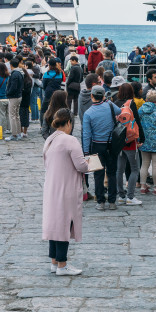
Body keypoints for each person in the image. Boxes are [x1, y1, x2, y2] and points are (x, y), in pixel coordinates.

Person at [42, 108, 88, 276]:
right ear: (69, 123)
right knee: (64, 224)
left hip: (52, 186)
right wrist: (92, 164)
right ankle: (62, 264)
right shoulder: (70, 140)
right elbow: (81, 165)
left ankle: (54, 261)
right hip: (66, 187)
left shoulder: (50, 139)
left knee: (55, 223)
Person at [81, 86, 118, 211]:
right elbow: (119, 111)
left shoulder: (88, 113)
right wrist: (107, 100)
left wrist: (86, 152)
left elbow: (86, 135)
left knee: (98, 174)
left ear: (91, 96)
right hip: (111, 144)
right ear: (103, 96)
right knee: (112, 173)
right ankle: (112, 201)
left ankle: (100, 201)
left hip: (96, 146)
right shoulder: (110, 106)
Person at [113, 84, 143, 207]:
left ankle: (121, 196)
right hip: (130, 140)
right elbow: (137, 121)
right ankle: (130, 196)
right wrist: (142, 138)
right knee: (135, 169)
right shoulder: (131, 103)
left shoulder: (115, 102)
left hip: (119, 141)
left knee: (119, 169)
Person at [0, 61, 11, 139]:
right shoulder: (9, 77)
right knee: (9, 114)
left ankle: (2, 129)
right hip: (9, 98)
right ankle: (9, 128)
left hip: (0, 98)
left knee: (1, 115)